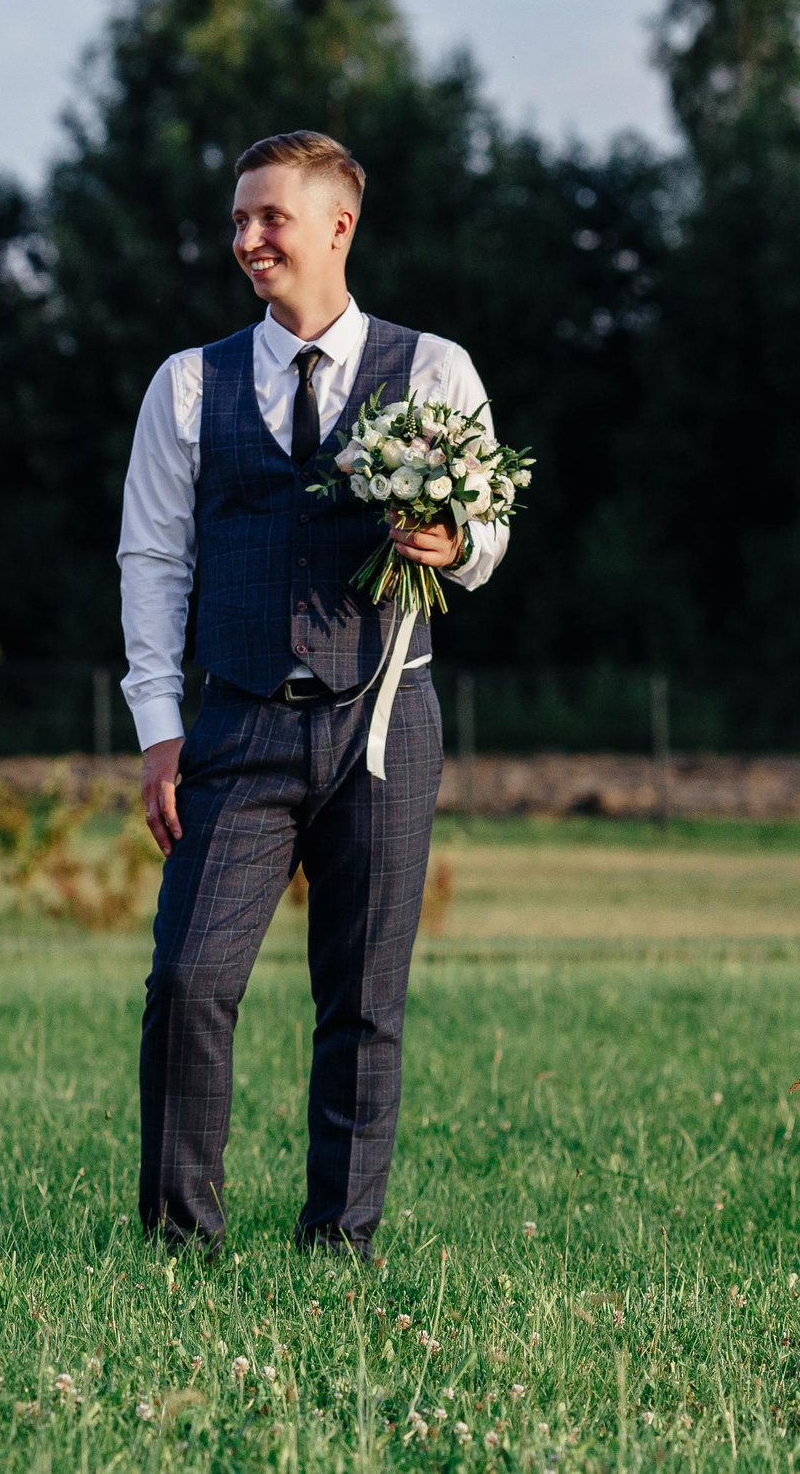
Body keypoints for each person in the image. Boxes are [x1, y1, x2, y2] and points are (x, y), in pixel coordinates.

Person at [119, 132, 509, 1255]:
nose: (246, 240)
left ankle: (339, 1245)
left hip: (384, 723)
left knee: (363, 1003)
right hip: (235, 726)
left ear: (338, 226)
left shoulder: (434, 370)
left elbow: (489, 535)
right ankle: (179, 1242)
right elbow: (152, 561)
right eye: (238, 221)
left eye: (269, 219)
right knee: (188, 982)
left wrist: (452, 540)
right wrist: (159, 731)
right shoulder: (187, 384)